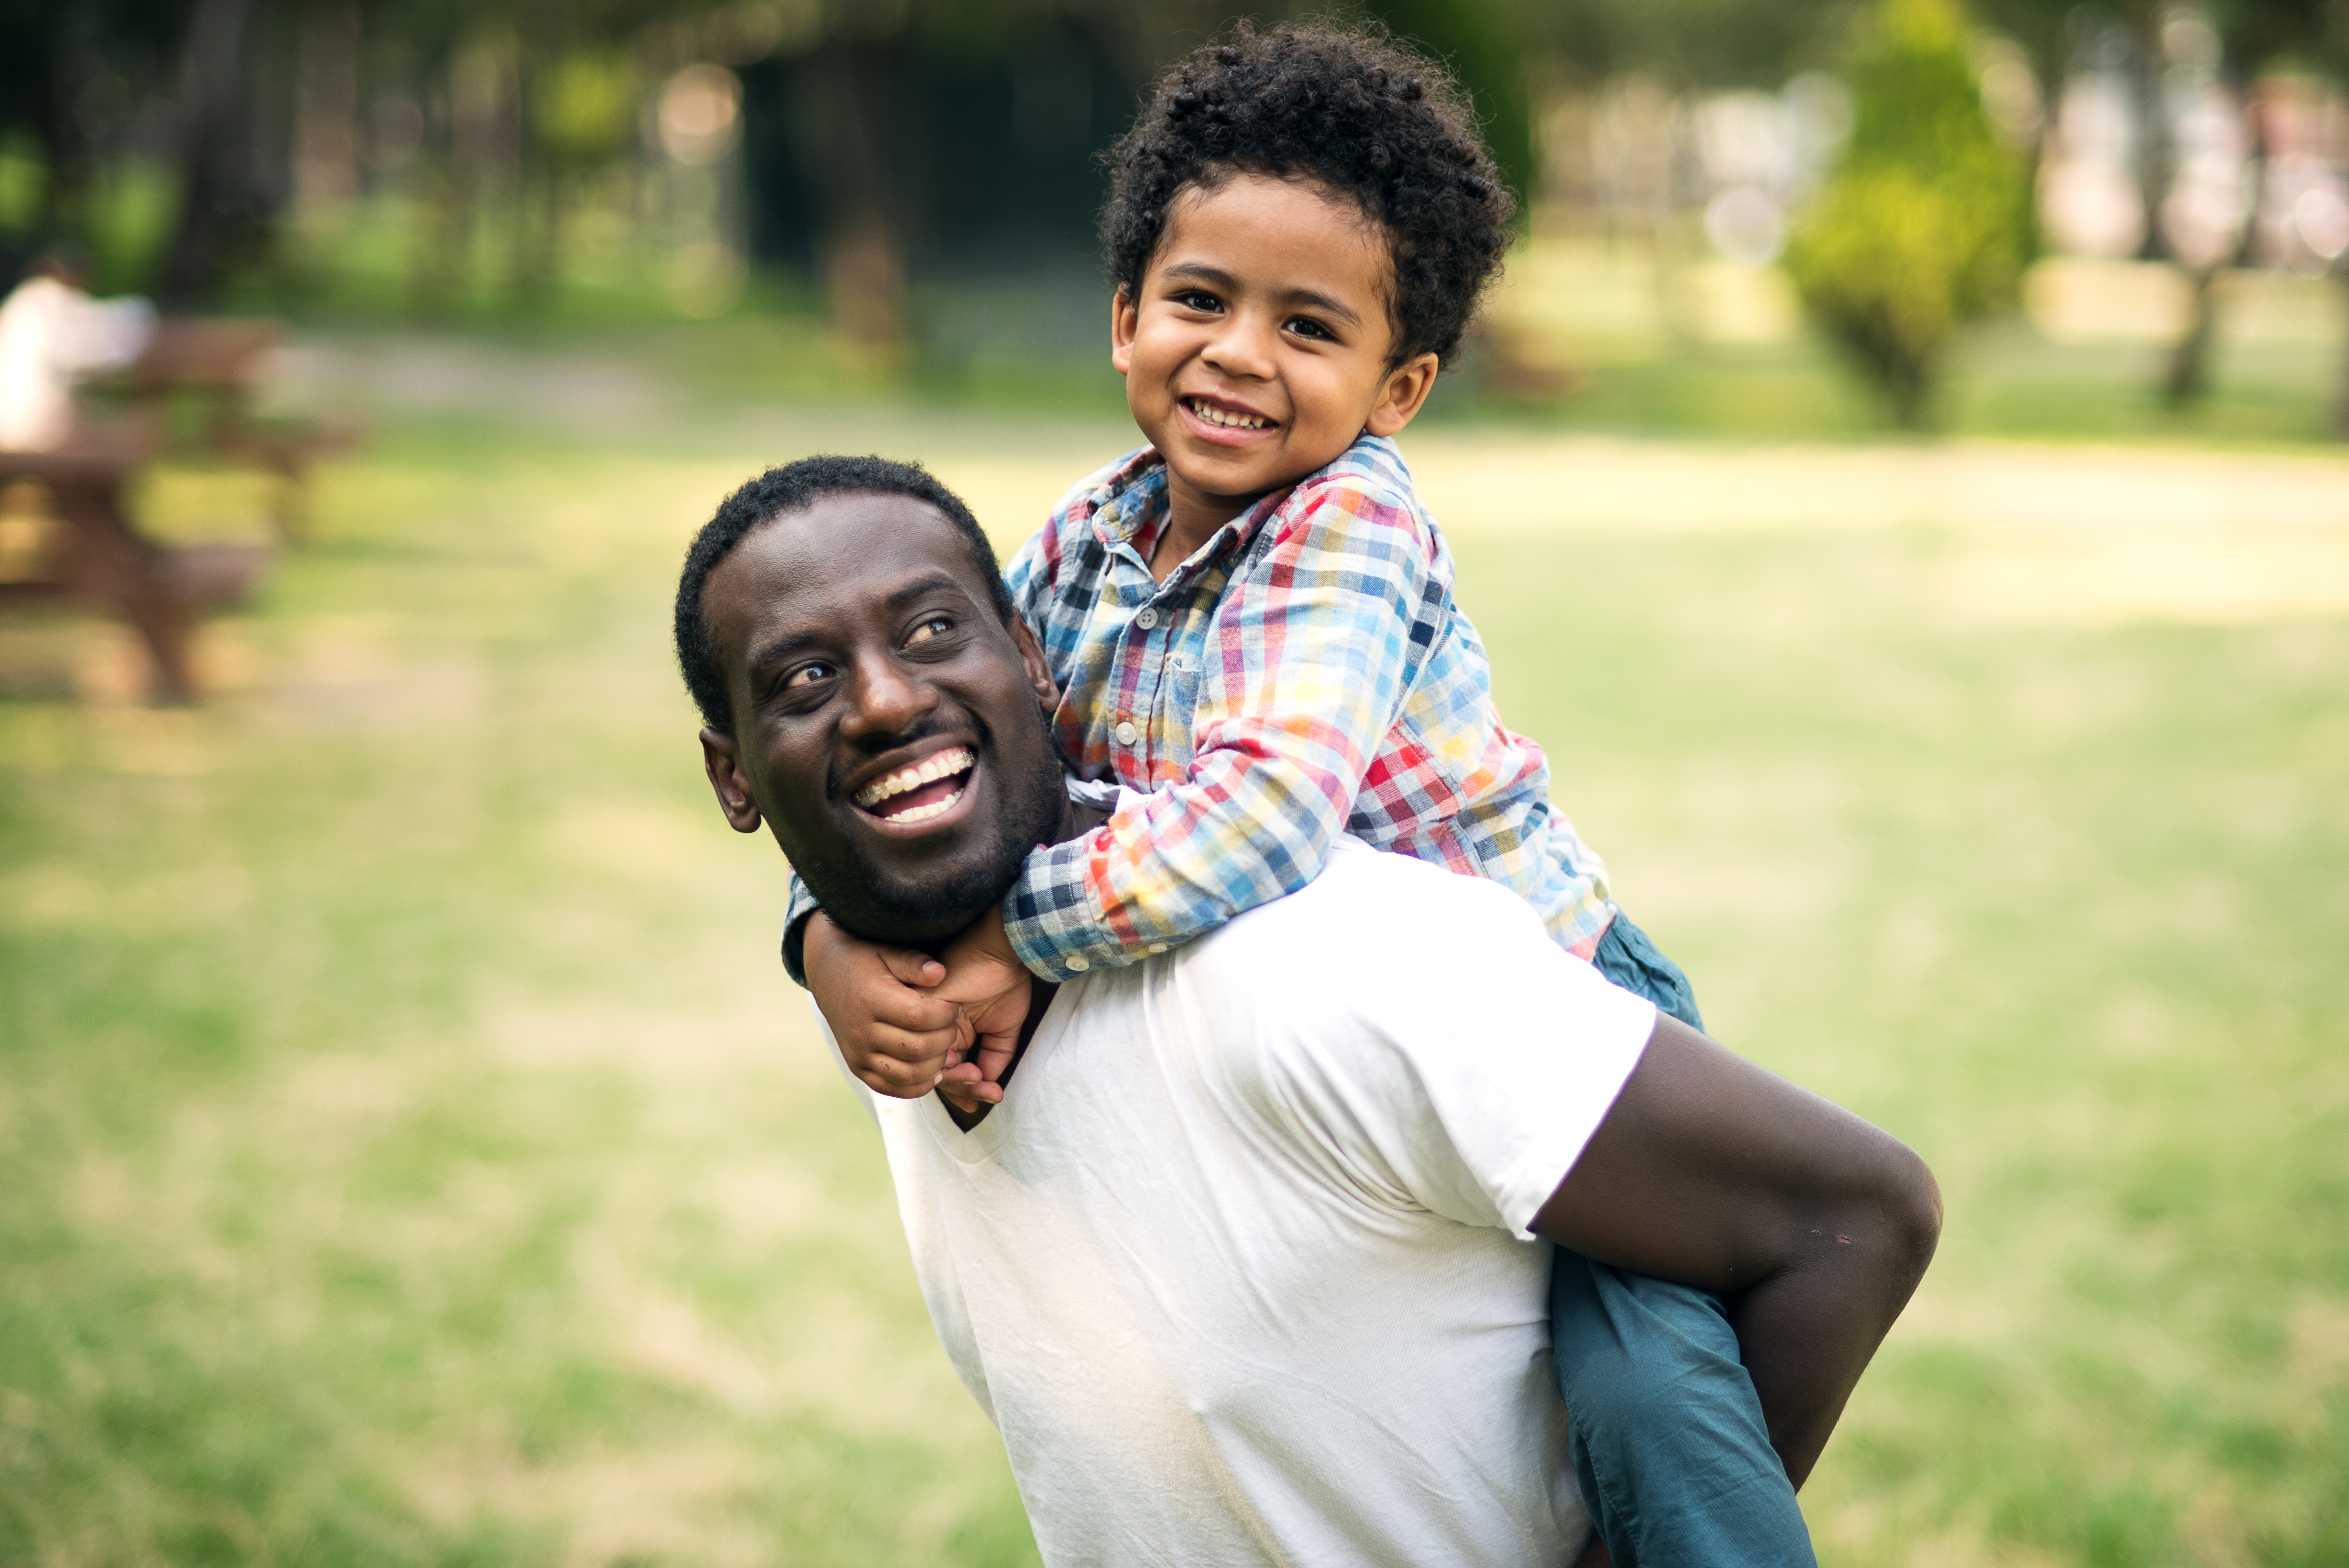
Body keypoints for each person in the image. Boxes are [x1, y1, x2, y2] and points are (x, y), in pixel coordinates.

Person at [780, 24, 1804, 1565]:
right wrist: (827, 934)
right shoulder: (1082, 539)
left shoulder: (1348, 522)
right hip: (1337, 1074)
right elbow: (935, 759)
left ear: (1397, 388)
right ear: (1124, 317)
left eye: (1308, 327)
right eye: (1199, 299)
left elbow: (1258, 818)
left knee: (1650, 1401)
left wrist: (1004, 942)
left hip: (1559, 1008)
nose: (1240, 352)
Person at [676, 456, 1943, 1568]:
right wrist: (817, 933)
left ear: (1026, 649)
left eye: (931, 628)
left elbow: (1853, 1214)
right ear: (735, 776)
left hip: (1568, 959)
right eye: (802, 678)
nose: (886, 700)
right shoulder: (892, 989)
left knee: (1656, 1389)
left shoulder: (1328, 964)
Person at [0, 252, 155, 453]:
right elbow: (89, 350)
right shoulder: (52, 300)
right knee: (113, 436)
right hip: (30, 425)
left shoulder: (20, 301)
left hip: (9, 420)